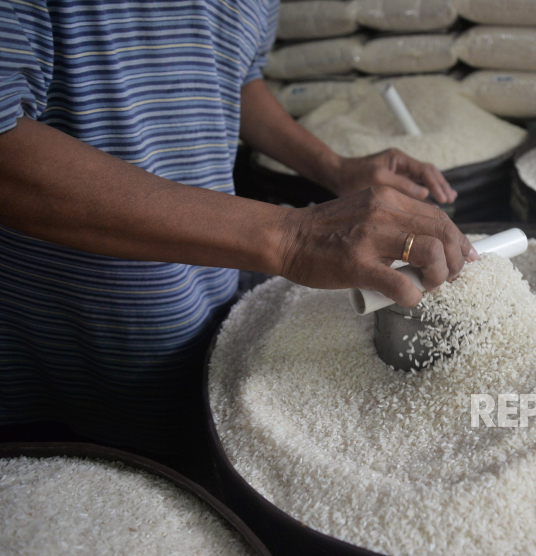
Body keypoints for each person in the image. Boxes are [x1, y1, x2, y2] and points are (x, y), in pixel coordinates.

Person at [0, 0, 474, 453]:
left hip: (206, 311)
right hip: (65, 354)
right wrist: (291, 236)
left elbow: (232, 75)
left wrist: (334, 169)